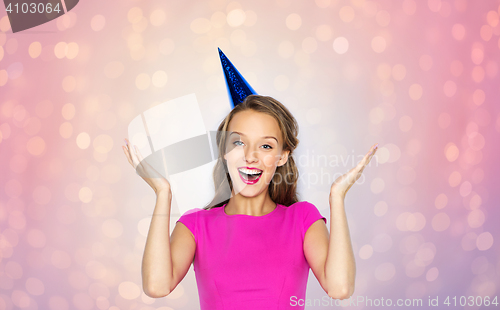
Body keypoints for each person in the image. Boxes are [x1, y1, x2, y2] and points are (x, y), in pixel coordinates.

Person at [122, 95, 378, 309]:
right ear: (225, 151)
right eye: (239, 142)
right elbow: (156, 286)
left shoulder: (302, 219)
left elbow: (340, 287)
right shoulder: (196, 225)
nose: (250, 157)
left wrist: (337, 196)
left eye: (265, 147)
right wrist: (162, 192)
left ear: (281, 157)